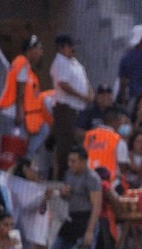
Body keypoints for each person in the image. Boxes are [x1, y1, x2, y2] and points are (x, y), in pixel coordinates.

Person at [49, 146, 103, 249]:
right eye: (69, 161)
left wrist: (90, 231)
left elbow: (96, 205)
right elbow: (68, 197)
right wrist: (63, 194)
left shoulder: (91, 178)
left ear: (83, 162)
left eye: (74, 161)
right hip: (72, 218)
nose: (70, 164)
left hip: (86, 218)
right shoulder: (69, 174)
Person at [50, 34, 92, 180]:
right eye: (70, 46)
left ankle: (77, 174)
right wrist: (81, 96)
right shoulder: (60, 61)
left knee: (78, 141)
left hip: (78, 108)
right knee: (65, 143)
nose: (73, 49)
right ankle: (64, 176)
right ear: (62, 47)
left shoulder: (74, 62)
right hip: (65, 107)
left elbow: (84, 81)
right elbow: (63, 83)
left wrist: (89, 94)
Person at [0, 35, 47, 159]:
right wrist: (19, 114)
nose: (41, 52)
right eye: (39, 49)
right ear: (30, 50)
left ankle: (23, 161)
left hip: (15, 112)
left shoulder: (23, 65)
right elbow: (20, 92)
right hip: (13, 113)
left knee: (19, 143)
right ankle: (19, 165)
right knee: (14, 147)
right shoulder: (22, 63)